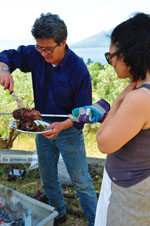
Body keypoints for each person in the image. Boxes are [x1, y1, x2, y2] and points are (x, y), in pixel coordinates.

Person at [0, 12, 100, 226]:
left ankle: (95, 221)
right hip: (42, 129)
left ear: (63, 42)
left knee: (81, 182)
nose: (43, 54)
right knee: (47, 178)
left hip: (69, 132)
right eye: (39, 48)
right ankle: (58, 214)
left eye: (48, 49)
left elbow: (86, 112)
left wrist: (63, 125)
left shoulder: (78, 70)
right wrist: (3, 70)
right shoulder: (36, 54)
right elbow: (7, 55)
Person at [72, 12, 150, 226]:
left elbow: (104, 142)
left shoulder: (138, 97)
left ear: (127, 54)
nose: (110, 63)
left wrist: (119, 100)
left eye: (110, 57)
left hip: (129, 189)